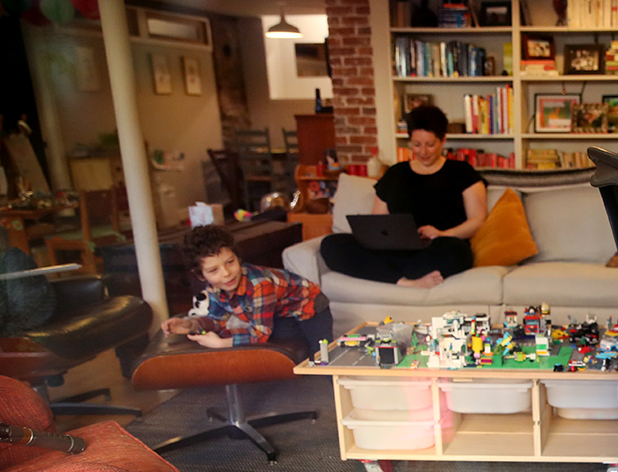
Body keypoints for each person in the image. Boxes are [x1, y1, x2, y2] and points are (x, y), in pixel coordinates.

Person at [319, 105, 487, 288]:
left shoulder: (462, 172)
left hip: (439, 248)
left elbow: (477, 220)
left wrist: (442, 234)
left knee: (459, 252)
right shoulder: (395, 173)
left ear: (443, 140)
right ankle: (404, 281)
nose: (423, 151)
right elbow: (378, 222)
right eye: (416, 145)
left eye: (430, 144)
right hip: (396, 250)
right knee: (331, 244)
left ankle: (385, 273)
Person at [162, 225, 333, 351]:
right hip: (281, 313)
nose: (226, 273)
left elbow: (260, 333)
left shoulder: (260, 284)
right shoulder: (215, 288)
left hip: (311, 305)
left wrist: (221, 344)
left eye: (230, 262)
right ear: (201, 275)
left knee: (322, 356)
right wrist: (191, 324)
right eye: (214, 270)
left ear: (237, 257)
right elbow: (216, 320)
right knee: (268, 337)